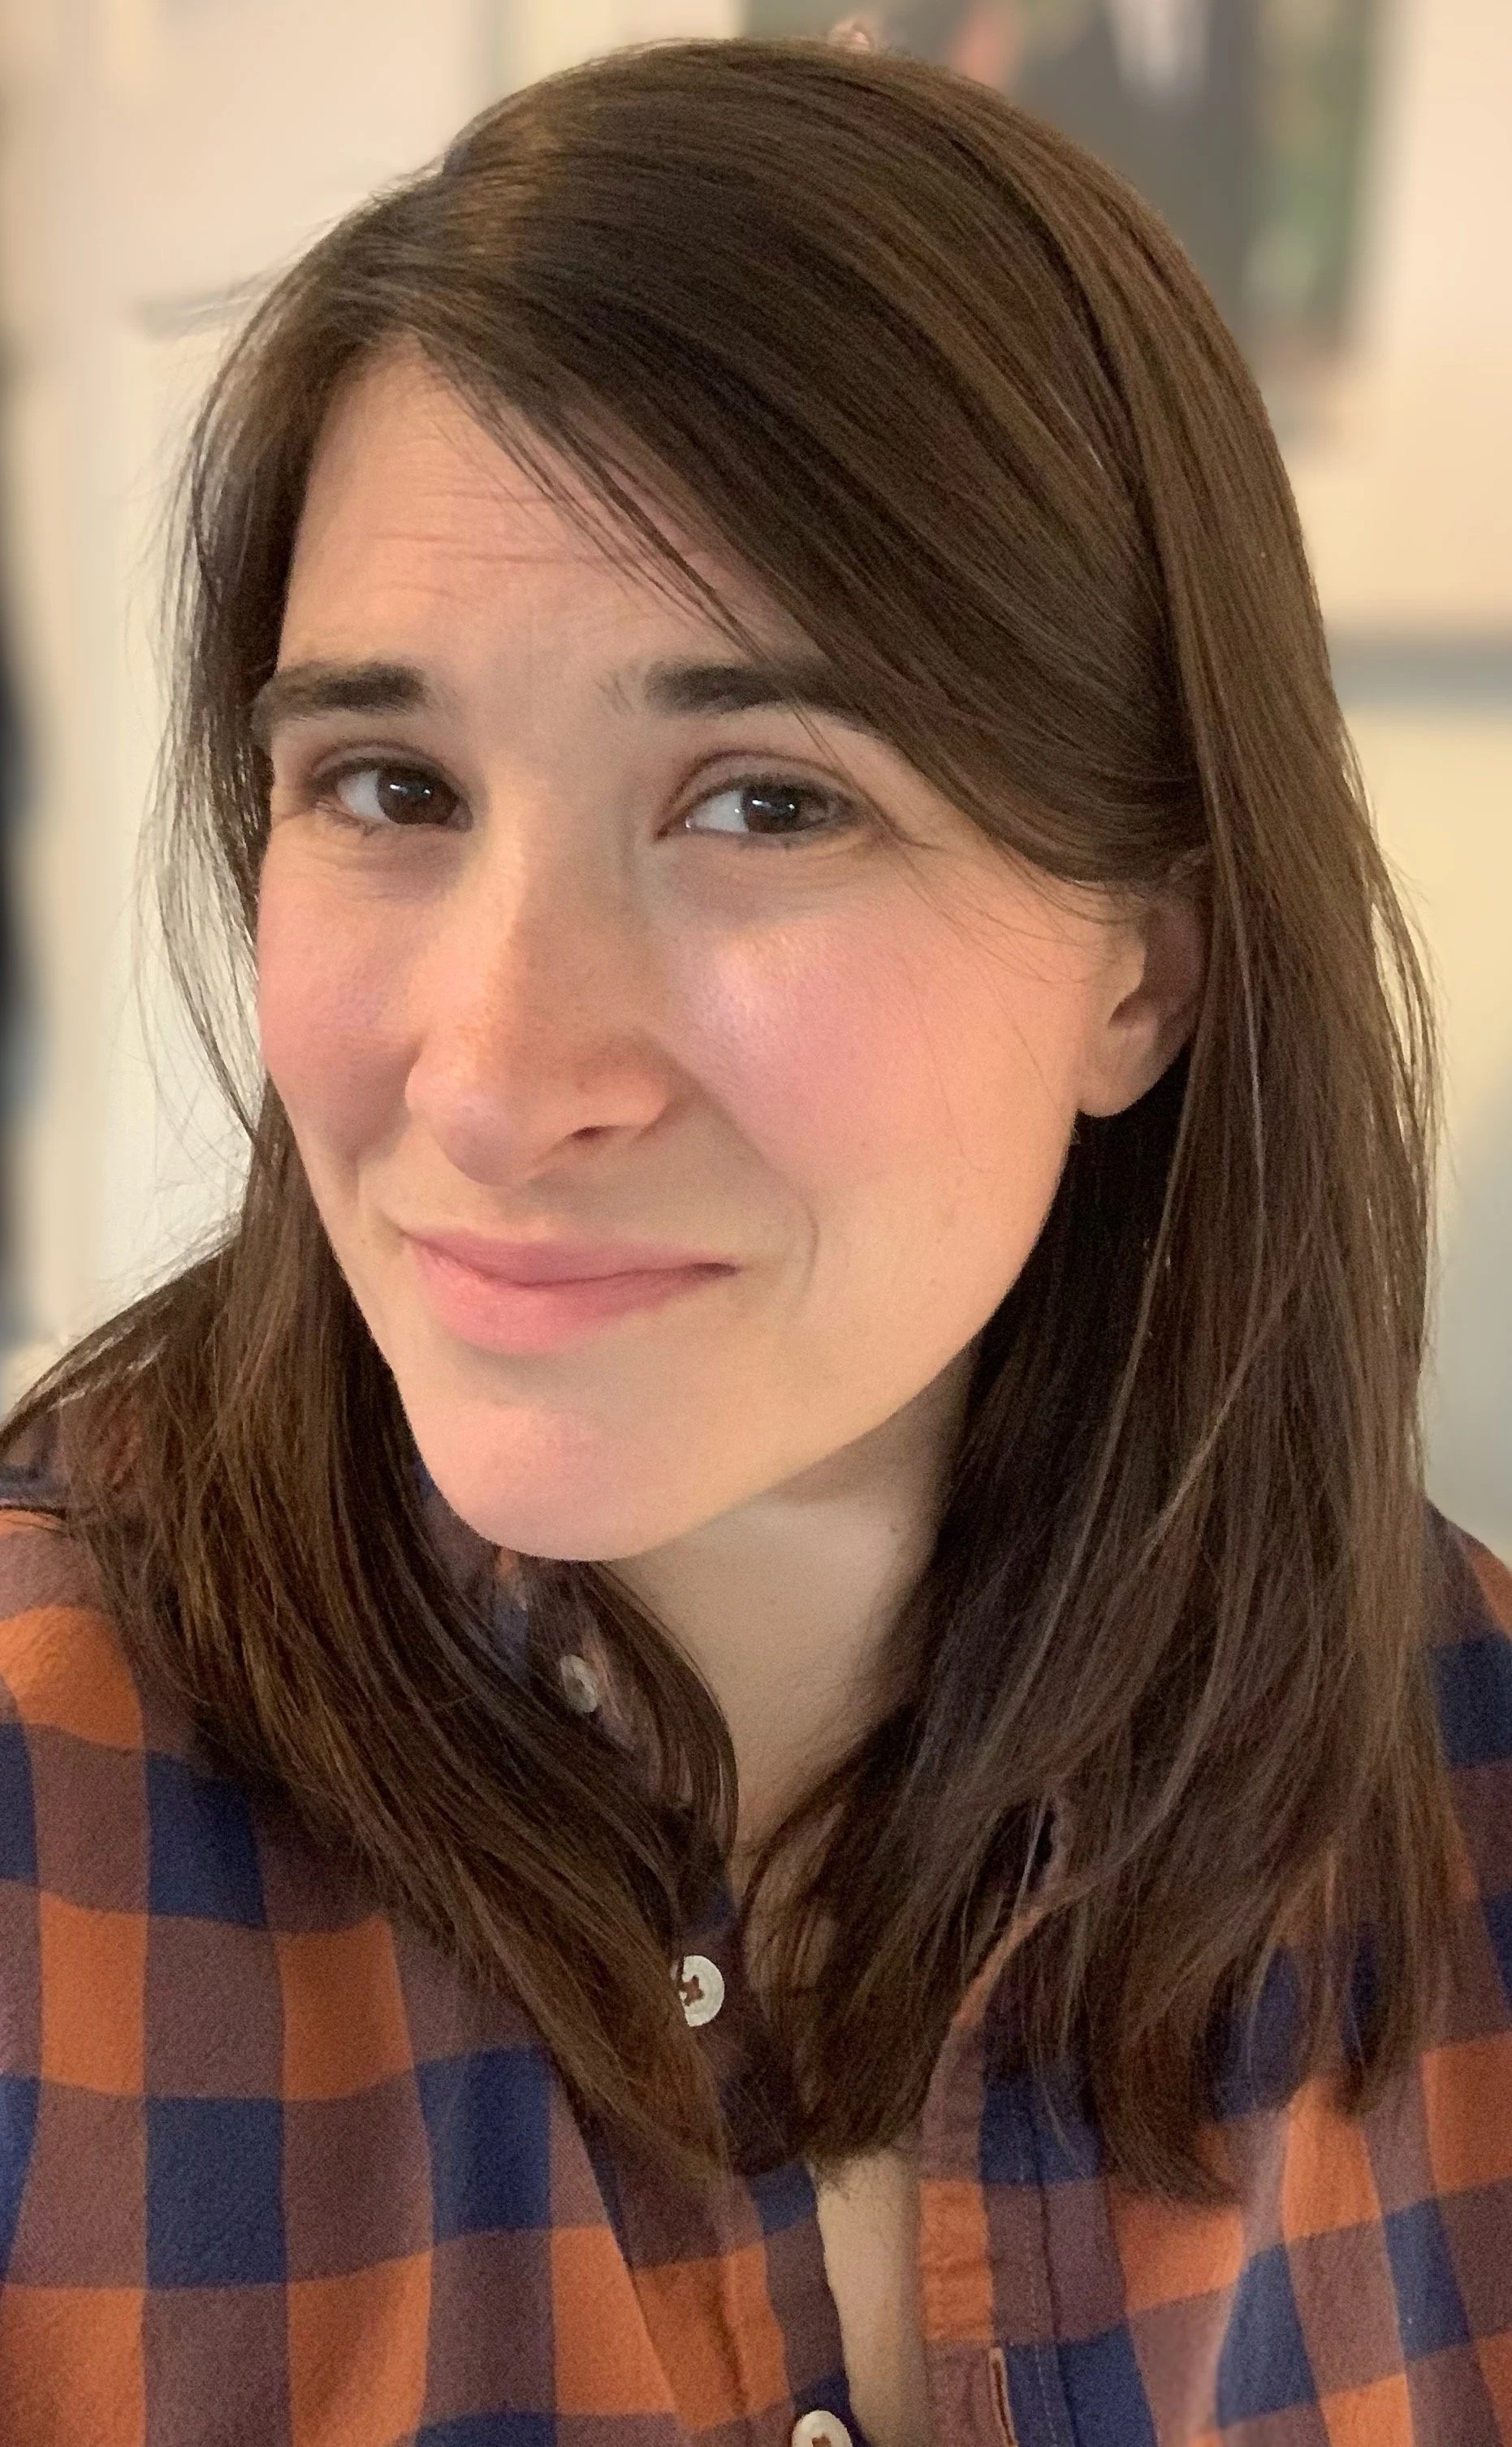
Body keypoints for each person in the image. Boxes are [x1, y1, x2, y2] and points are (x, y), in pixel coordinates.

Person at [0, 30, 1506, 2447]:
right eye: (387, 786)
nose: (492, 1074)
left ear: (1151, 962)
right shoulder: (40, 1822)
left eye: (766, 801)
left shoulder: (1461, 1784)